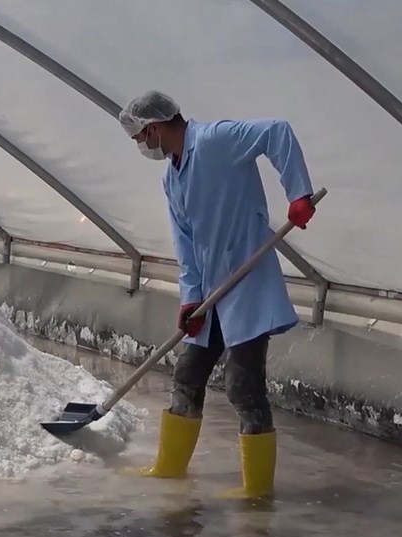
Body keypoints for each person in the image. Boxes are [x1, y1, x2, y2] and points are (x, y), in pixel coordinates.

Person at [118, 90, 316, 499]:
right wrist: (190, 298)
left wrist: (297, 193)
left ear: (153, 127)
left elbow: (275, 131)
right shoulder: (172, 177)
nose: (141, 145)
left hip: (247, 283)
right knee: (188, 375)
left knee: (244, 387)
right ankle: (169, 468)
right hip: (211, 294)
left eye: (139, 137)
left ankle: (256, 490)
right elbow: (185, 244)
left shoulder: (215, 140)